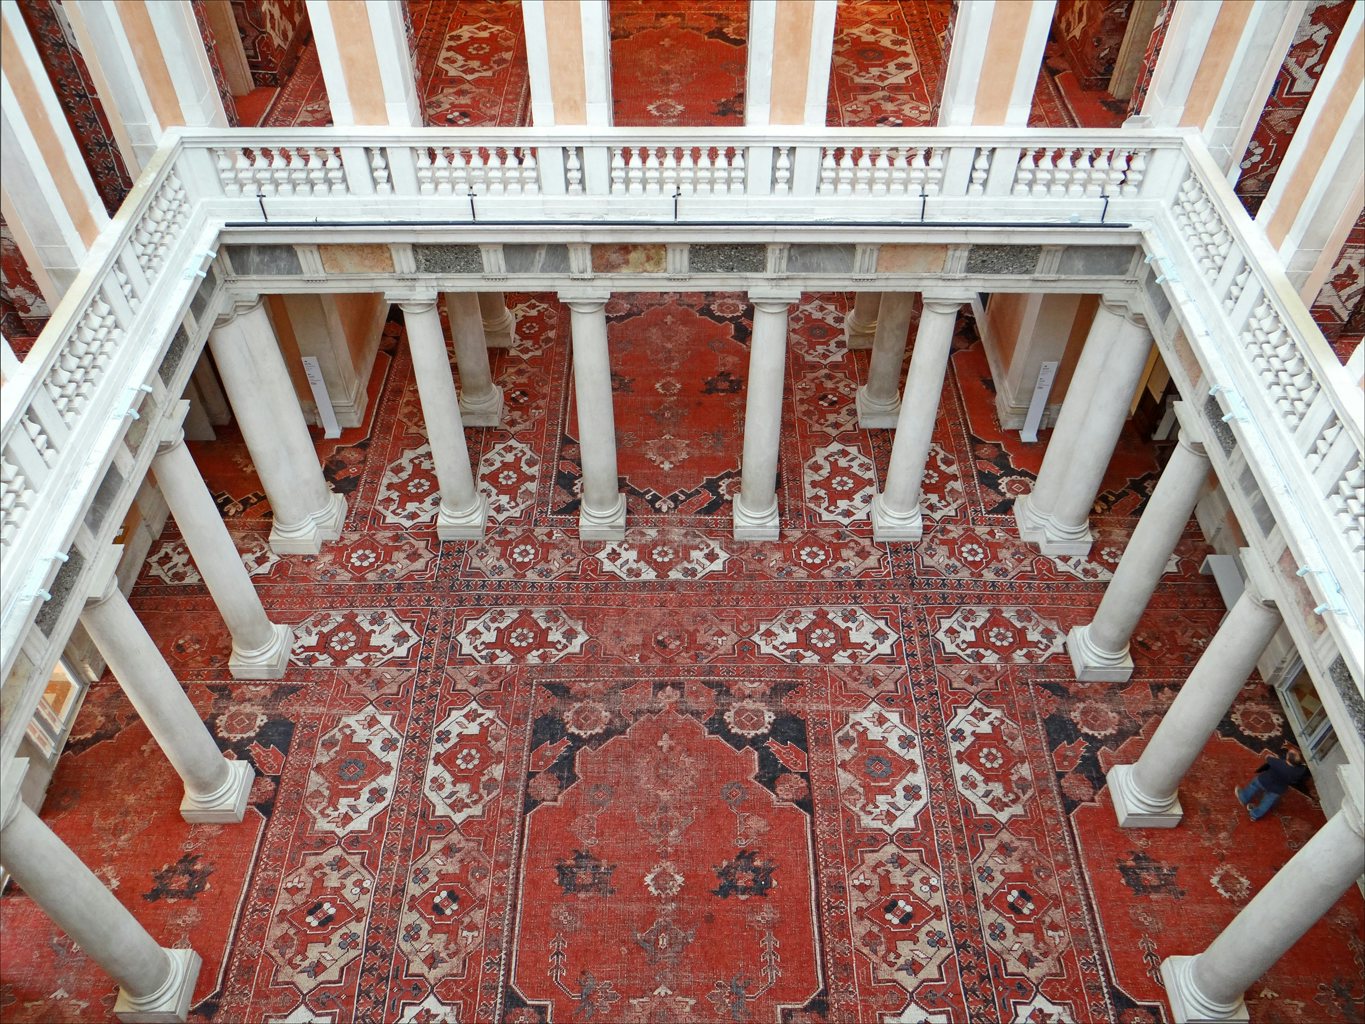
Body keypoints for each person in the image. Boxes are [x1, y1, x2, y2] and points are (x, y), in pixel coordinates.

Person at [1235, 748, 1308, 820]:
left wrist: (1272, 757)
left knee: (1253, 786)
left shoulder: (1277, 763)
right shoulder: (1299, 772)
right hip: (1277, 790)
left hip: (1264, 781)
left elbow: (1268, 758)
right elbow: (1303, 766)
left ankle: (1243, 797)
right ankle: (1254, 815)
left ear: (1287, 757)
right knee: (1266, 803)